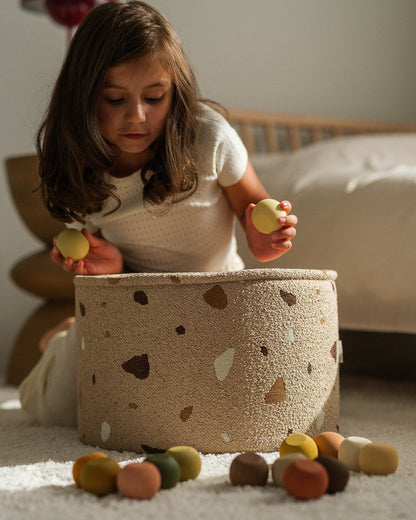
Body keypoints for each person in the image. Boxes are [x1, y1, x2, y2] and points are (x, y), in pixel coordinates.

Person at [19, 1, 297, 426]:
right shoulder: (80, 165)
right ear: (82, 98)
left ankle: (71, 330)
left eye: (154, 97)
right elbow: (106, 262)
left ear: (176, 91)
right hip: (133, 310)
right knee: (55, 410)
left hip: (217, 306)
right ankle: (64, 338)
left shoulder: (207, 138)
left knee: (236, 405)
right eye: (114, 99)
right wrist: (108, 267)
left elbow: (253, 207)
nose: (137, 116)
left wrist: (264, 233)